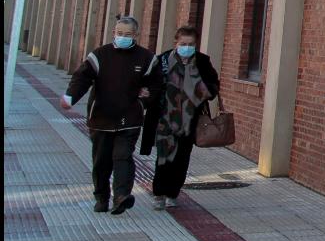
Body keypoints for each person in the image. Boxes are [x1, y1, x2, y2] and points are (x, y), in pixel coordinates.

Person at [63, 16, 153, 215]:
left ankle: (121, 196)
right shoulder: (100, 55)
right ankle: (101, 197)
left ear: (135, 35)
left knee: (122, 156)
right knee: (101, 160)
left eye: (127, 34)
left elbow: (156, 84)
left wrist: (146, 97)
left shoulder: (146, 58)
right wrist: (70, 97)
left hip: (129, 117)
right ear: (114, 33)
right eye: (119, 33)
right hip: (101, 117)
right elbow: (82, 78)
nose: (123, 37)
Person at [143, 24, 221, 209]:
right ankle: (159, 193)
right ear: (176, 42)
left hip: (189, 118)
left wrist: (199, 91)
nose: (187, 47)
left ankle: (173, 193)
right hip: (165, 118)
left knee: (182, 158)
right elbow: (150, 84)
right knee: (164, 157)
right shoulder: (162, 60)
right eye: (183, 43)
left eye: (191, 44)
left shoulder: (202, 61)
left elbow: (213, 85)